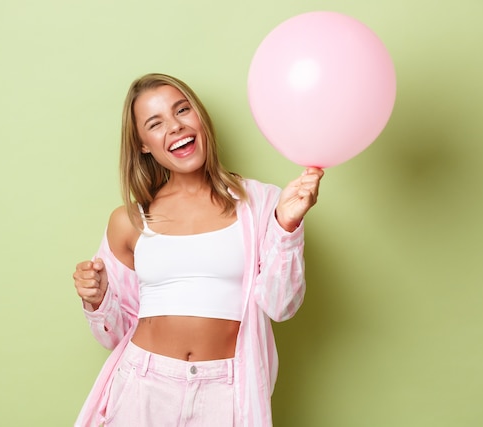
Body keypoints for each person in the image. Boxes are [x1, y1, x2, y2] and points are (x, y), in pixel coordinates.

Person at [72, 72, 324, 427]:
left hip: (226, 390)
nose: (174, 127)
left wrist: (286, 226)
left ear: (200, 118)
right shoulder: (129, 220)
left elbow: (281, 305)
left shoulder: (262, 202)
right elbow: (112, 334)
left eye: (182, 110)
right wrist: (97, 299)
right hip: (142, 386)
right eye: (155, 123)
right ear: (143, 144)